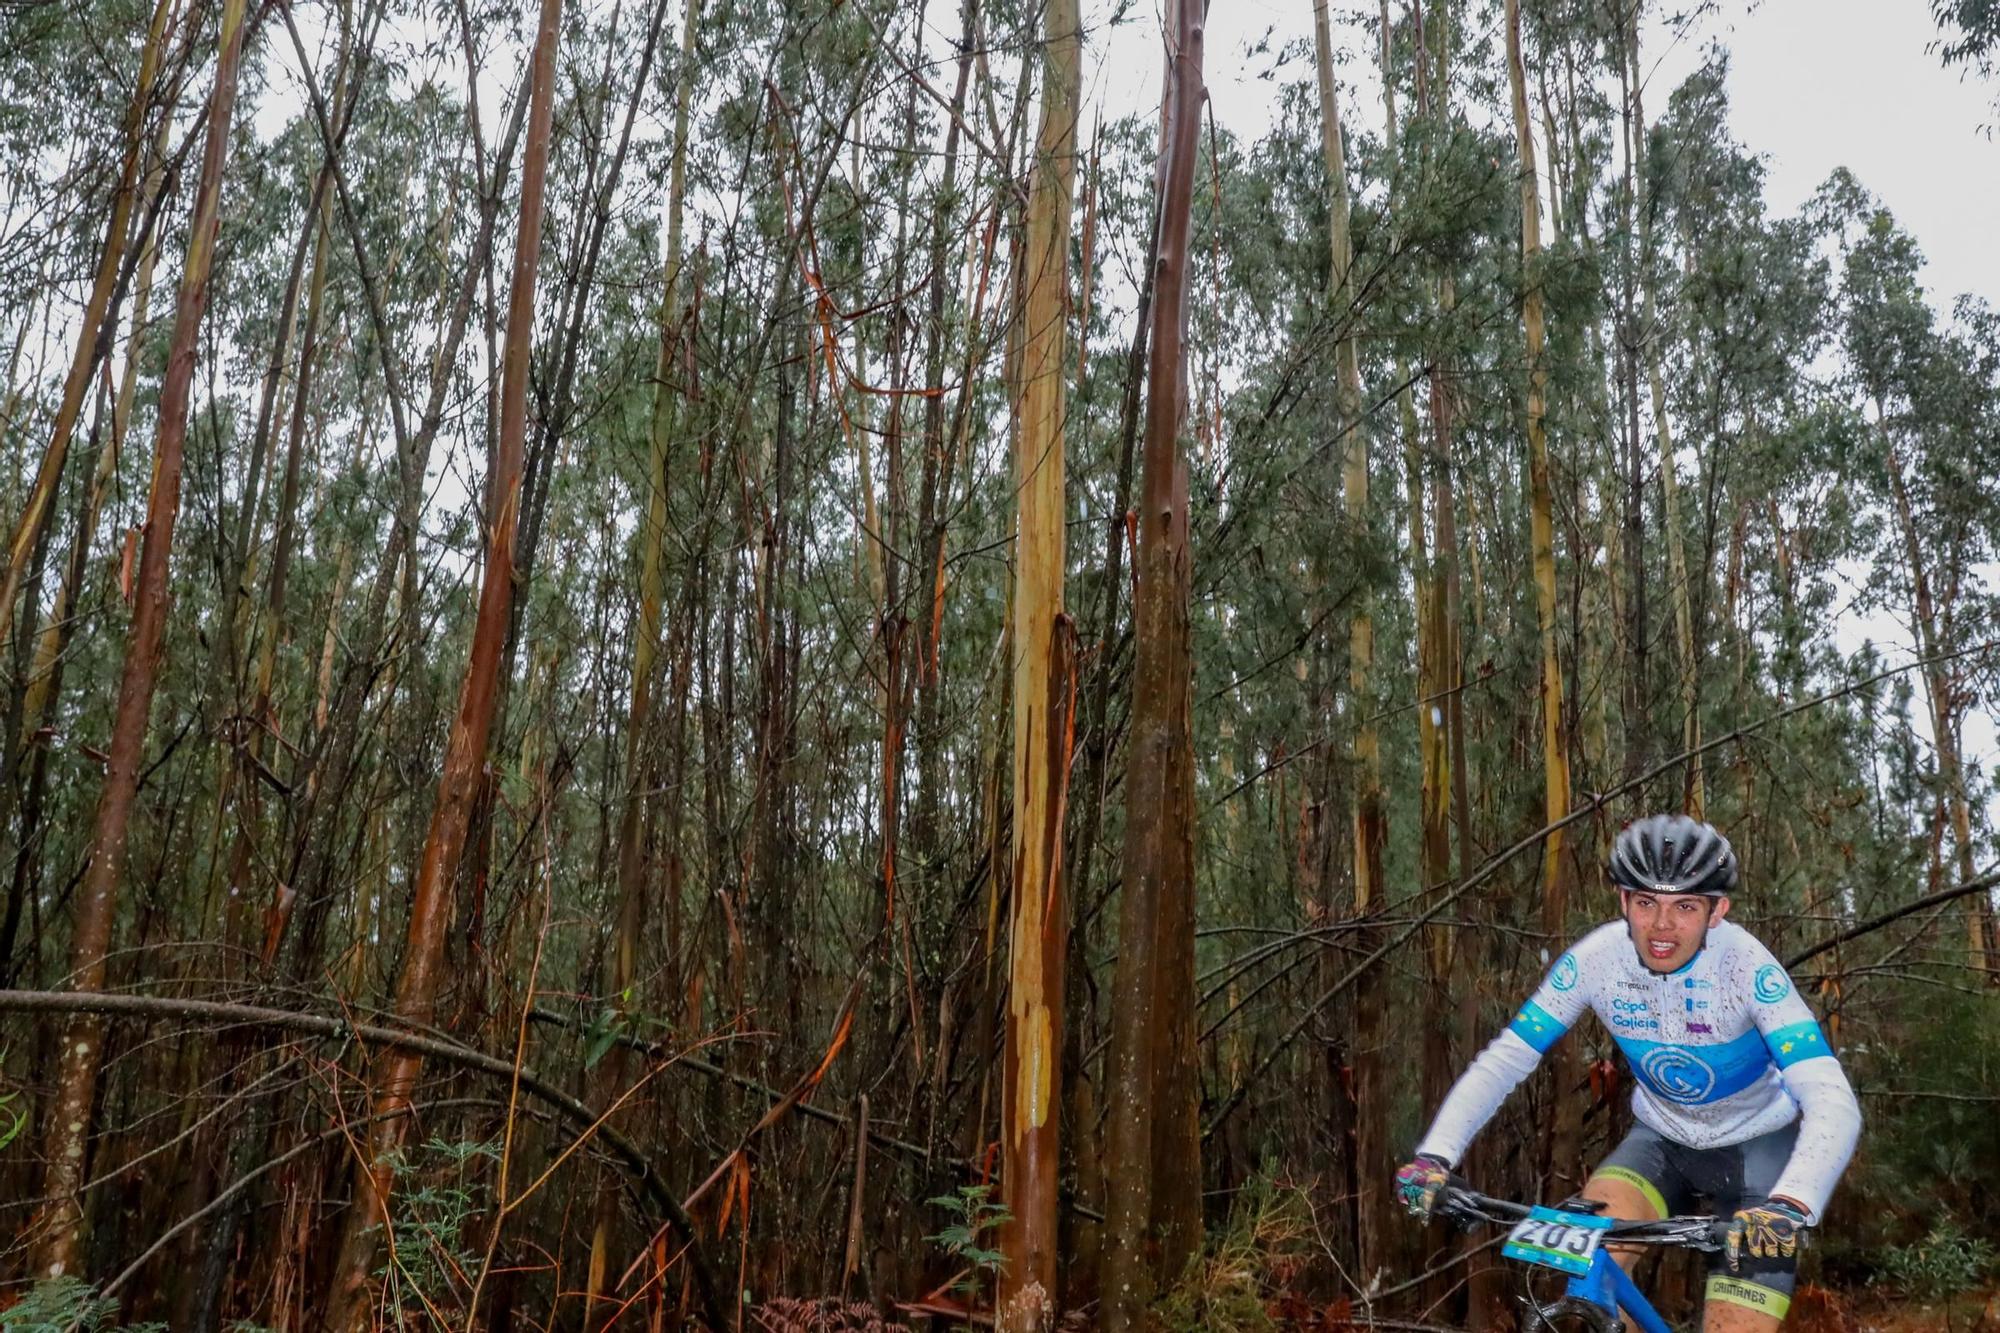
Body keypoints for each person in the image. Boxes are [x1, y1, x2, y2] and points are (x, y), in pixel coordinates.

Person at [1394, 814, 1862, 1332]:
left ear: (1717, 911)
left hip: (1759, 1153)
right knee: (1589, 1272)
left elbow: (1830, 1098)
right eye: (1646, 903)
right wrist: (1434, 1156)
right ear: (1623, 902)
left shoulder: (1748, 969)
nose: (1661, 926)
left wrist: (1792, 1203)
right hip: (1660, 1144)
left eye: (1684, 906)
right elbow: (1507, 1058)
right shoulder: (1597, 961)